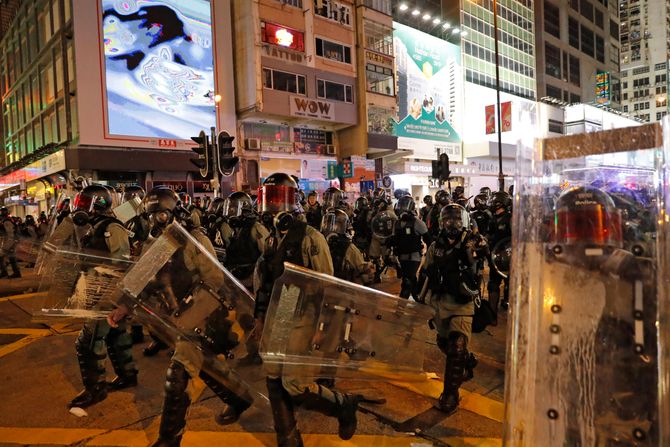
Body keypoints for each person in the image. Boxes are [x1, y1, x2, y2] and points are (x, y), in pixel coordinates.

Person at [109, 187, 250, 446]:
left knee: (178, 374)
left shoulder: (194, 239)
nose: (155, 221)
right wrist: (123, 306)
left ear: (174, 212)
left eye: (161, 215)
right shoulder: (157, 243)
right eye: (151, 216)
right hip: (177, 319)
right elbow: (142, 278)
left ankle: (168, 440)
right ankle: (238, 397)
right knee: (206, 366)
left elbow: (216, 280)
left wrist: (192, 312)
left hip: (203, 317)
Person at [255, 173, 361, 447]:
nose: (275, 206)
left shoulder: (311, 238)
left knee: (294, 384)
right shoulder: (269, 240)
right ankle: (288, 439)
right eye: (270, 198)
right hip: (278, 314)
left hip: (303, 315)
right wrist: (259, 320)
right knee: (273, 378)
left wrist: (324, 329)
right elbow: (265, 286)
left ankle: (343, 405)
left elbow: (327, 284)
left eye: (280, 198)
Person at [69, 185, 137, 408]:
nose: (80, 207)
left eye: (84, 203)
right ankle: (128, 375)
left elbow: (121, 265)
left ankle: (95, 389)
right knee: (117, 337)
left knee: (87, 343)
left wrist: (115, 298)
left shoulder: (112, 227)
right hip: (99, 290)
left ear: (98, 204)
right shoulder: (94, 227)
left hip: (106, 294)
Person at [420, 204, 479, 415]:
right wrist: (420, 299)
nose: (451, 224)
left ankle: (450, 394)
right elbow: (426, 272)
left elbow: (481, 257)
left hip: (462, 302)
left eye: (456, 220)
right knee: (444, 343)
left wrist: (475, 248)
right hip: (440, 302)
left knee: (457, 346)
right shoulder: (436, 245)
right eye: (448, 220)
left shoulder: (471, 242)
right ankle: (467, 360)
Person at [224, 191, 269, 288]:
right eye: (229, 209)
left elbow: (267, 255)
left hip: (251, 282)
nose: (229, 213)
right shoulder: (237, 228)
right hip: (236, 281)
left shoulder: (256, 228)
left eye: (232, 209)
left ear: (244, 209)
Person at [390, 195, 429, 299]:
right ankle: (418, 298)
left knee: (407, 281)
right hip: (401, 257)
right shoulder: (397, 224)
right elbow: (394, 240)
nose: (402, 209)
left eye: (404, 206)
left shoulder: (417, 223)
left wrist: (430, 258)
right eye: (401, 205)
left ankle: (401, 308)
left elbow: (428, 239)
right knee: (410, 279)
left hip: (414, 256)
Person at [322, 208, 372, 285]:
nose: (327, 226)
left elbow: (362, 269)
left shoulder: (347, 247)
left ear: (340, 225)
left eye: (330, 223)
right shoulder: (318, 240)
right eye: (327, 222)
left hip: (339, 287)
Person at [487, 191, 512, 312]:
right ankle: (492, 314)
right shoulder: (493, 218)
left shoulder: (510, 219)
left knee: (510, 282)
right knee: (493, 284)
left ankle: (508, 303)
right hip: (494, 256)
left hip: (508, 256)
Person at [0, 207, 21, 278]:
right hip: (11, 242)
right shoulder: (8, 220)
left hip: (10, 242)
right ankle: (16, 273)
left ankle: (4, 272)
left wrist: (6, 246)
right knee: (12, 258)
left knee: (1, 257)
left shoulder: (6, 222)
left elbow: (10, 234)